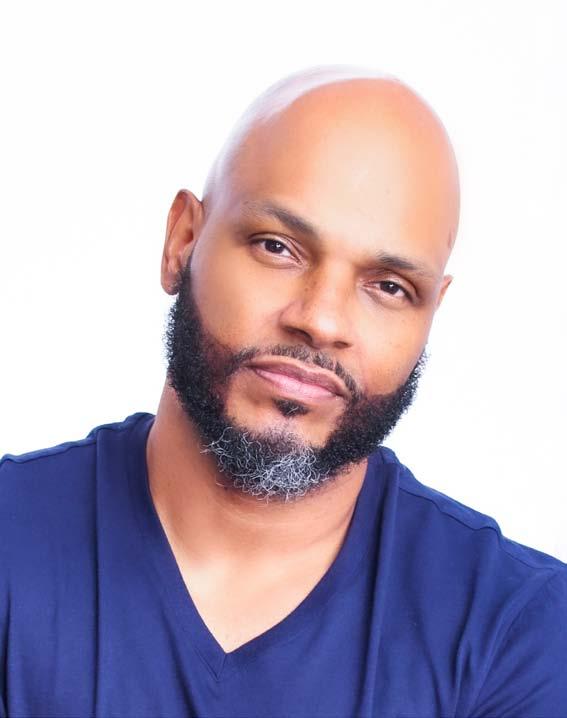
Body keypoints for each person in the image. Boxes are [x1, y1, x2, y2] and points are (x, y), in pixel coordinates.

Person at [1, 66, 565, 718]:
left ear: (431, 312)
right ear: (182, 241)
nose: (321, 320)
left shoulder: (514, 635)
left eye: (388, 286)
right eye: (278, 247)